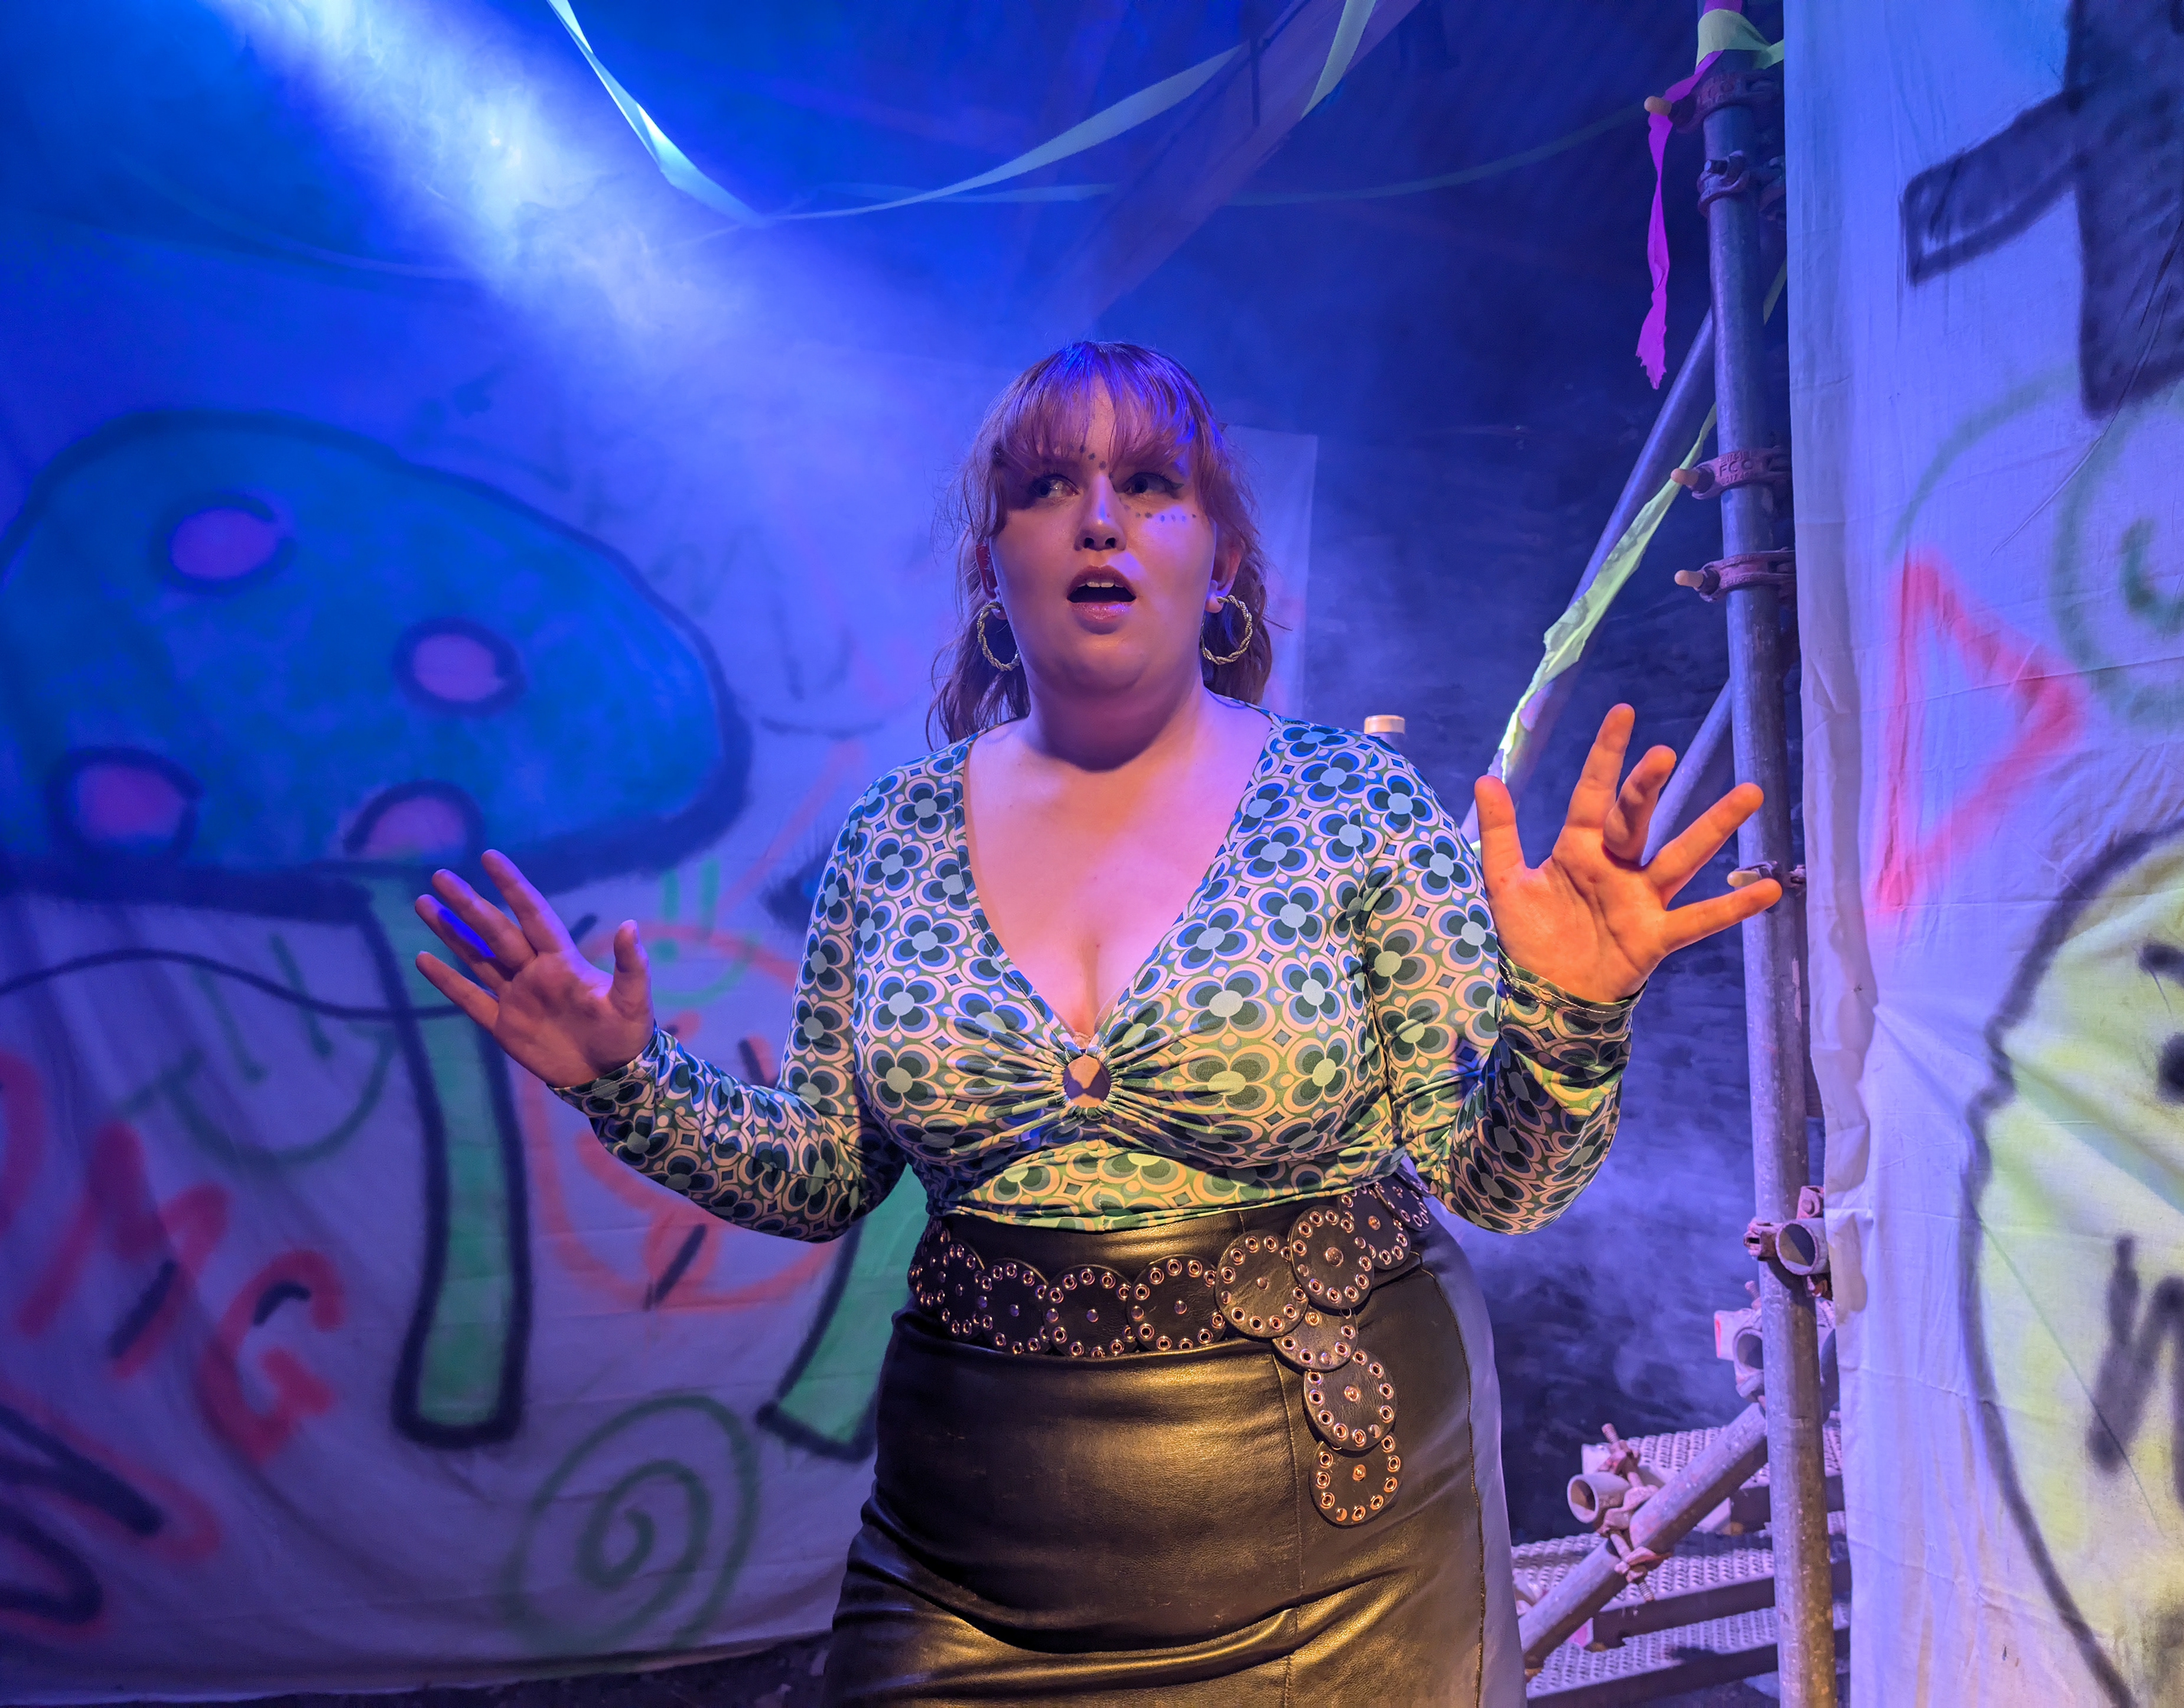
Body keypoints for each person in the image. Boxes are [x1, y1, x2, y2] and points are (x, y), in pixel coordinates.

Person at [412, 342, 1778, 1704]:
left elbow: (1502, 1187)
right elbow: (826, 1174)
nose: (1100, 519)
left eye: (1150, 483)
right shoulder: (893, 839)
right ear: (992, 563)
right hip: (966, 1558)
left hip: (1341, 1541)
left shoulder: (1350, 809)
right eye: (1048, 485)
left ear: (1223, 562)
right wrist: (624, 1079)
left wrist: (1575, 1013)